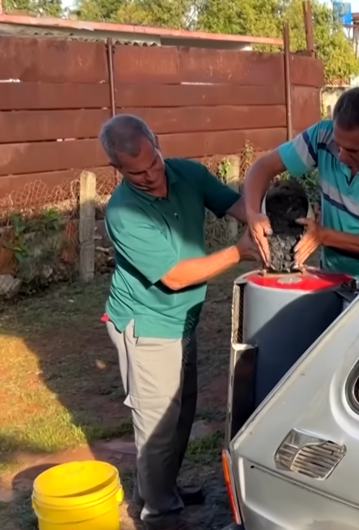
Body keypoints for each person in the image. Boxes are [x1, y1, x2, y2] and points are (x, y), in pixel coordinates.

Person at [98, 114, 253, 529]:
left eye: (153, 162)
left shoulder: (186, 173)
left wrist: (259, 219)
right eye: (136, 172)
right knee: (157, 425)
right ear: (117, 169)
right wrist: (240, 251)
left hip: (181, 319)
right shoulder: (124, 211)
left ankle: (159, 488)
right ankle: (158, 512)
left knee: (180, 413)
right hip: (147, 324)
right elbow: (176, 275)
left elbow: (233, 203)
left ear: (156, 142)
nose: (150, 176)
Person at [242, 86, 359, 285]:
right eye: (338, 145)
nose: (341, 156)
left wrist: (324, 236)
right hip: (330, 276)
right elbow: (263, 167)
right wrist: (252, 214)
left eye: (353, 150)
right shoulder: (322, 135)